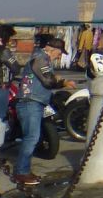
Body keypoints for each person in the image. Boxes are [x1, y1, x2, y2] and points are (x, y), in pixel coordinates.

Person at [14, 36, 74, 184]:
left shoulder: (41, 59)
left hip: (35, 102)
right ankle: (21, 172)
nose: (59, 56)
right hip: (31, 102)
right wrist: (63, 82)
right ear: (51, 49)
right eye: (59, 52)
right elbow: (48, 80)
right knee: (31, 138)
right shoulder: (41, 59)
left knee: (33, 137)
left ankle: (25, 169)